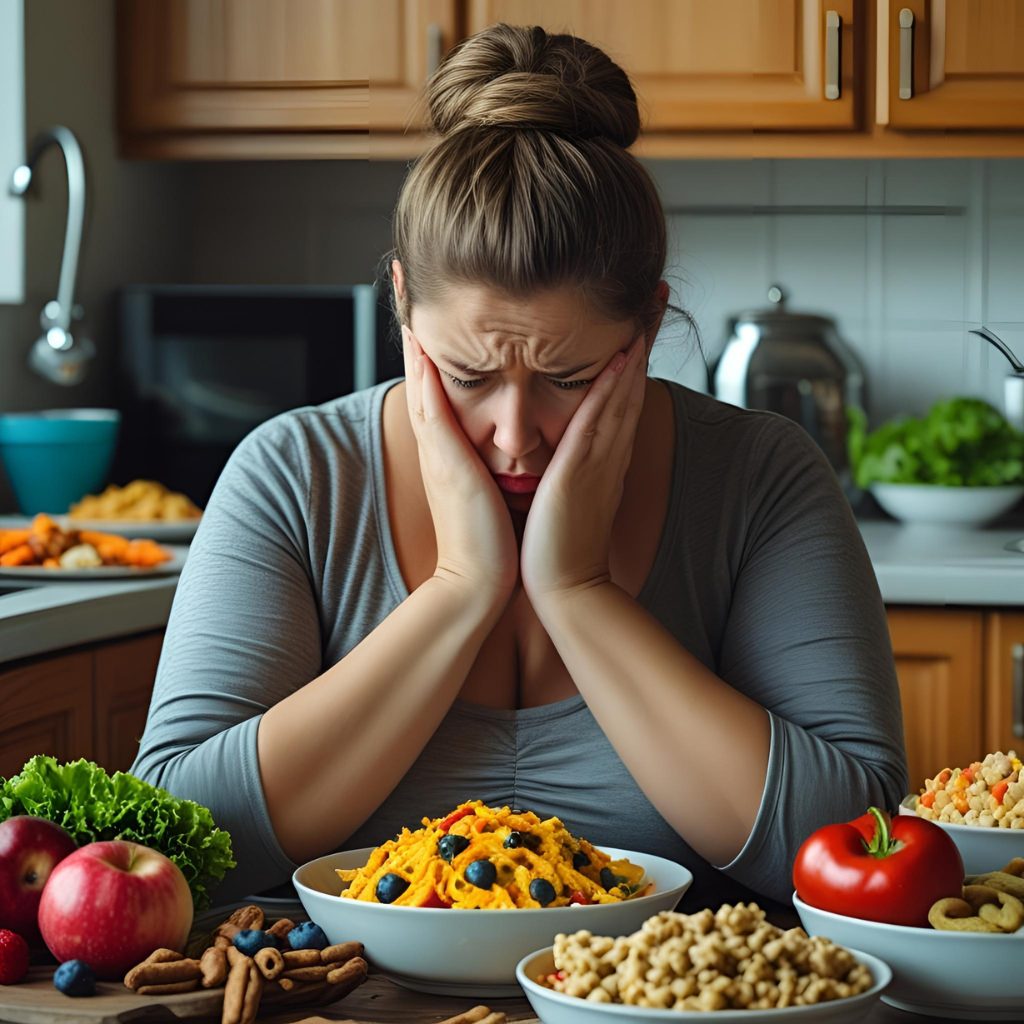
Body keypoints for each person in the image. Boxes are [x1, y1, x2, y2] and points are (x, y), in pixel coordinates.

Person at [131, 23, 908, 908]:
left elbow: (858, 849)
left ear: (649, 328)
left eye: (567, 379)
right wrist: (461, 589)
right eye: (466, 376)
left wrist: (578, 592)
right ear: (400, 305)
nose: (513, 436)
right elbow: (180, 843)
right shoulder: (294, 474)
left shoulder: (762, 478)